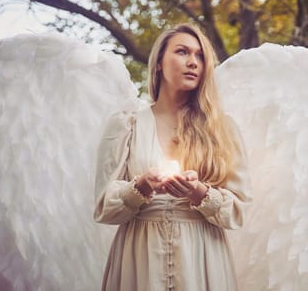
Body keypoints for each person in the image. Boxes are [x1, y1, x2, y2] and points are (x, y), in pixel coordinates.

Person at [93, 23, 252, 291]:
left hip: (201, 259)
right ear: (158, 64)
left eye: (200, 56)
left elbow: (238, 211)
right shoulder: (125, 125)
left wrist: (200, 192)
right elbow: (103, 208)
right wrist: (139, 187)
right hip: (139, 257)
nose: (193, 62)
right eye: (182, 52)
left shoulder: (222, 129)